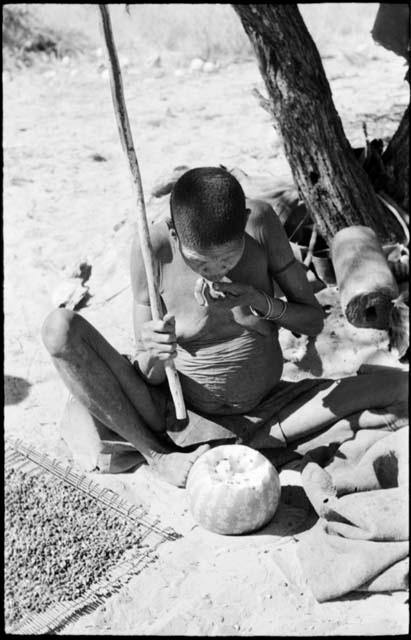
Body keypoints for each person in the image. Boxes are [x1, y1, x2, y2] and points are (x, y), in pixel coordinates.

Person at [41, 167, 408, 487]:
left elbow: (312, 321)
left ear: (245, 219)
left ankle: (252, 443)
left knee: (397, 387)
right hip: (177, 415)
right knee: (60, 328)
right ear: (173, 233)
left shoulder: (261, 224)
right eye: (202, 262)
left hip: (271, 409)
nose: (216, 270)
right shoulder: (152, 248)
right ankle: (156, 457)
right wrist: (155, 350)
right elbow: (151, 376)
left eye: (228, 257)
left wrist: (258, 302)